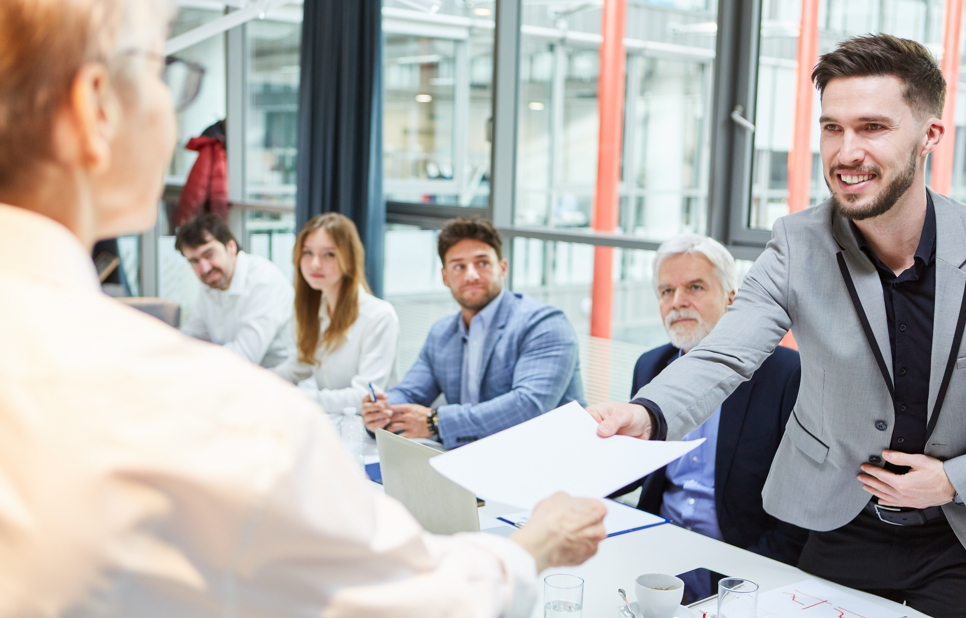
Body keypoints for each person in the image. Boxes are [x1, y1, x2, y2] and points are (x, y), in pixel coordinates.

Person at [0, 0, 608, 616]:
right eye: (165, 69)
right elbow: (411, 600)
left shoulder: (527, 324)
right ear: (95, 107)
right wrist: (538, 544)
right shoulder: (203, 409)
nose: (171, 103)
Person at [589, 34, 966, 616]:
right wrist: (647, 413)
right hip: (840, 523)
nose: (846, 152)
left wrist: (952, 481)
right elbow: (725, 352)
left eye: (873, 127)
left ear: (931, 136)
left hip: (955, 536)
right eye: (832, 128)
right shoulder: (798, 243)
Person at [617, 234, 806, 565]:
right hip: (653, 546)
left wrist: (746, 576)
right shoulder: (650, 365)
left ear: (732, 300)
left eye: (695, 288)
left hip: (738, 561)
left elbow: (797, 512)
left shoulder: (787, 374)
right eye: (667, 291)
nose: (677, 301)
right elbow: (633, 467)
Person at [361, 217, 584, 449]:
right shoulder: (442, 333)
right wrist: (381, 411)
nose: (471, 275)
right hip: (471, 462)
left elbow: (527, 406)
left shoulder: (544, 324)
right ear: (445, 277)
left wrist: (435, 421)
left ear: (503, 268)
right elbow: (409, 392)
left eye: (482, 263)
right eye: (459, 266)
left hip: (549, 461)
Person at [272, 213, 399, 413]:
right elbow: (299, 365)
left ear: (348, 260)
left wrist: (297, 397)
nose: (315, 263)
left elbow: (364, 396)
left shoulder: (379, 316)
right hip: (331, 425)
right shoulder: (315, 308)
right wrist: (253, 380)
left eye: (328, 254)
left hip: (369, 433)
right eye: (307, 252)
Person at [176, 213, 294, 368]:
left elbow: (244, 357)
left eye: (209, 254)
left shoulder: (264, 281)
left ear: (231, 247)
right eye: (194, 261)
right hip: (238, 379)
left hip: (279, 383)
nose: (204, 268)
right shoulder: (212, 282)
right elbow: (193, 335)